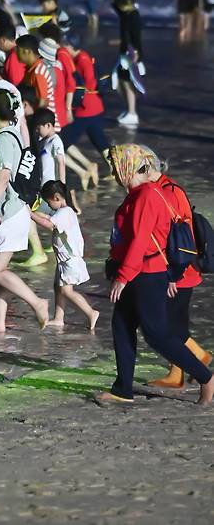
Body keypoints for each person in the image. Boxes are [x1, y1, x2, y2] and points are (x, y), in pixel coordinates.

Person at [95, 144, 214, 406]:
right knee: (122, 326)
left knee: (157, 334)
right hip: (139, 272)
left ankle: (206, 377)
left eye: (115, 168)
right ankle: (123, 390)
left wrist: (123, 276)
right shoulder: (137, 193)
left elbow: (140, 240)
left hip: (147, 274)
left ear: (128, 167)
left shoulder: (147, 195)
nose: (113, 174)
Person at [0, 90, 49, 332]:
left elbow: (5, 174)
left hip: (7, 211)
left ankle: (37, 302)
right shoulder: (7, 135)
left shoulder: (5, 139)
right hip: (7, 211)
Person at [144, 164, 211, 389]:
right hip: (182, 269)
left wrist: (173, 274)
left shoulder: (167, 192)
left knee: (169, 328)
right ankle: (181, 370)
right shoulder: (166, 188)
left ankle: (198, 360)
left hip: (180, 270)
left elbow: (175, 235)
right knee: (175, 325)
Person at [30, 180, 99, 331]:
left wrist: (29, 214)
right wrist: (33, 212)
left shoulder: (65, 212)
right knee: (58, 287)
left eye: (48, 203)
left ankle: (91, 312)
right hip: (64, 260)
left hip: (70, 260)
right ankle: (59, 318)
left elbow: (49, 224)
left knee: (67, 291)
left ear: (56, 197)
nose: (48, 206)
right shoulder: (61, 212)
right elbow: (47, 217)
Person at [60, 34, 109, 182]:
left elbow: (88, 80)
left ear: (70, 46)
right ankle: (114, 168)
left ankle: (87, 169)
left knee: (63, 141)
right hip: (92, 107)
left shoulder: (82, 59)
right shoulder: (80, 58)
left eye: (64, 46)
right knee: (99, 140)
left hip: (86, 108)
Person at [112, 0, 144, 127]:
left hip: (132, 53)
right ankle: (129, 110)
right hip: (125, 53)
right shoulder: (125, 13)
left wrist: (136, 53)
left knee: (127, 82)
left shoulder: (133, 16)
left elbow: (136, 38)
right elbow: (115, 6)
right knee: (120, 81)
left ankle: (132, 113)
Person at [17, 34, 55, 115]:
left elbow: (43, 101)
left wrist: (34, 120)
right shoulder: (32, 69)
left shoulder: (38, 72)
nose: (16, 53)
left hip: (44, 120)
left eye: (18, 49)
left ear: (27, 51)